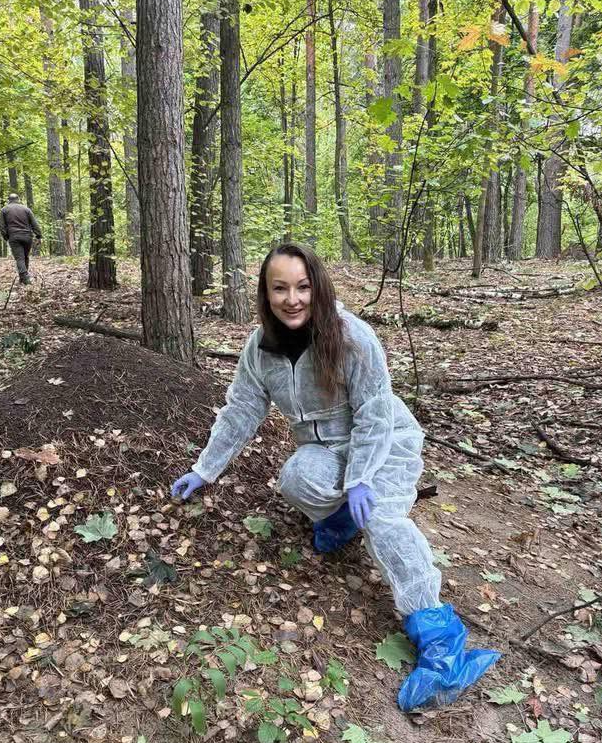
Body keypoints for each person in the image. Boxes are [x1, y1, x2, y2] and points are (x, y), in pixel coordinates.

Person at [172, 244, 499, 710]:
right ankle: (344, 518)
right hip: (327, 449)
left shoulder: (352, 337)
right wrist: (204, 469)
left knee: (382, 521)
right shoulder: (260, 348)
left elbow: (375, 414)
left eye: (302, 287)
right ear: (265, 294)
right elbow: (241, 409)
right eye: (280, 288)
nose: (292, 299)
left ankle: (443, 644)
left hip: (385, 442)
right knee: (296, 477)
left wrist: (361, 478)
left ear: (318, 288)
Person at [0, 193, 42, 285]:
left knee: (19, 258)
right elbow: (34, 223)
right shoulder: (26, 209)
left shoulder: (4, 210)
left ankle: (25, 278)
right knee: (25, 257)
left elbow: (2, 226)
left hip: (14, 237)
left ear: (9, 200)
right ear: (18, 199)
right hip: (27, 236)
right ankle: (23, 278)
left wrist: (6, 237)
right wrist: (38, 235)